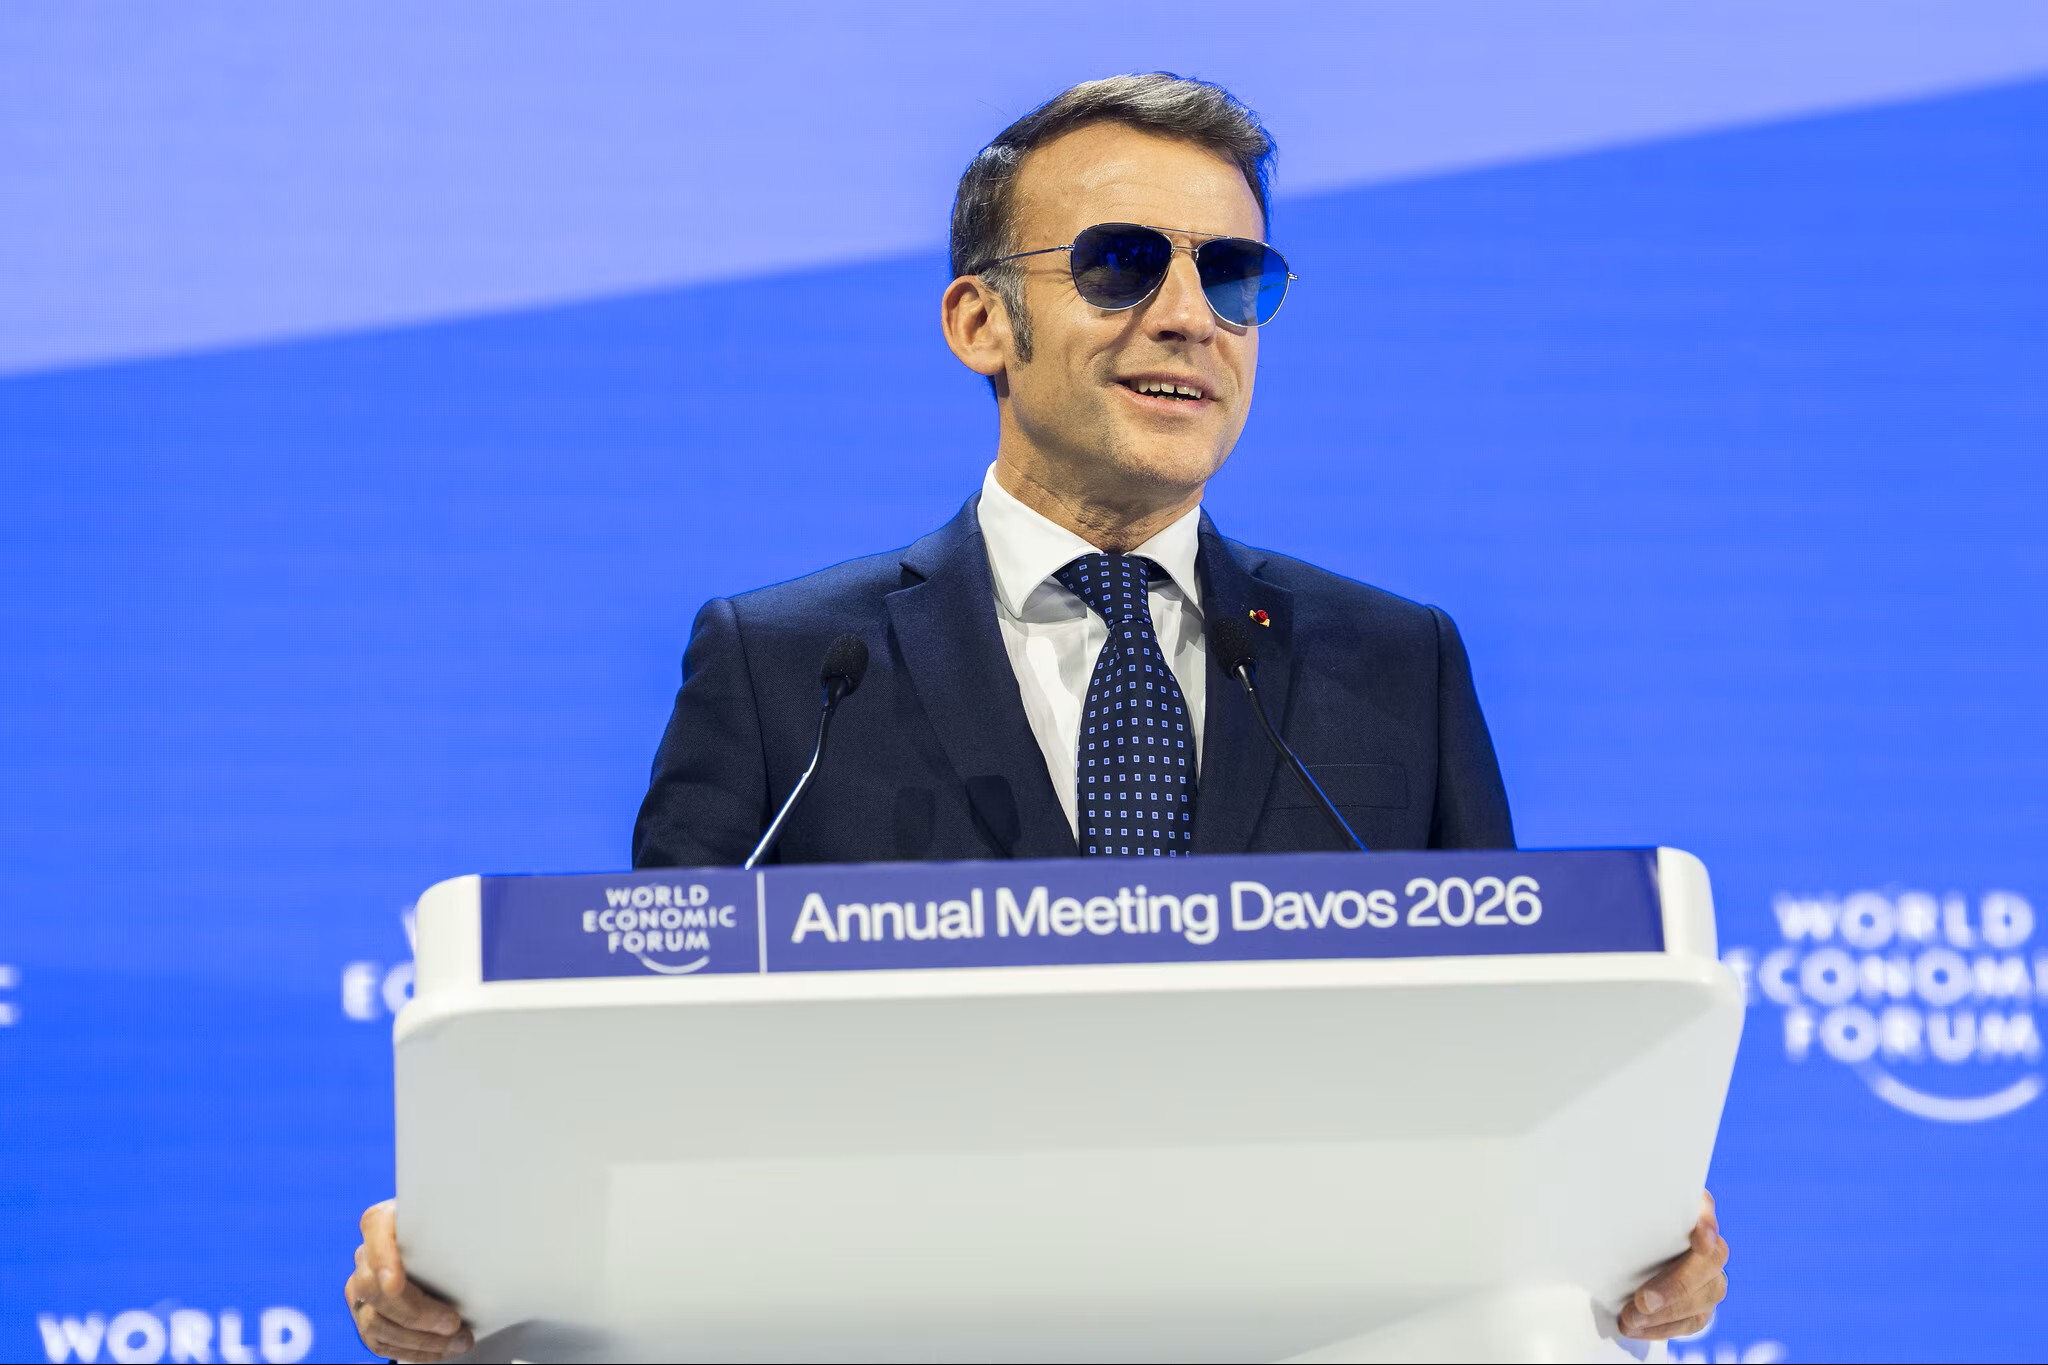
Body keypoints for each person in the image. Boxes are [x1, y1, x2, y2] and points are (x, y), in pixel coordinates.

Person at [349, 74, 1728, 1360]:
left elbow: (1497, 1056)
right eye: (1123, 263)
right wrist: (491, 1246)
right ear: (980, 324)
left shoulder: (1395, 664)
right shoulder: (789, 670)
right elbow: (644, 1080)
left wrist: (1614, 1226)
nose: (1189, 316)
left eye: (1233, 275)